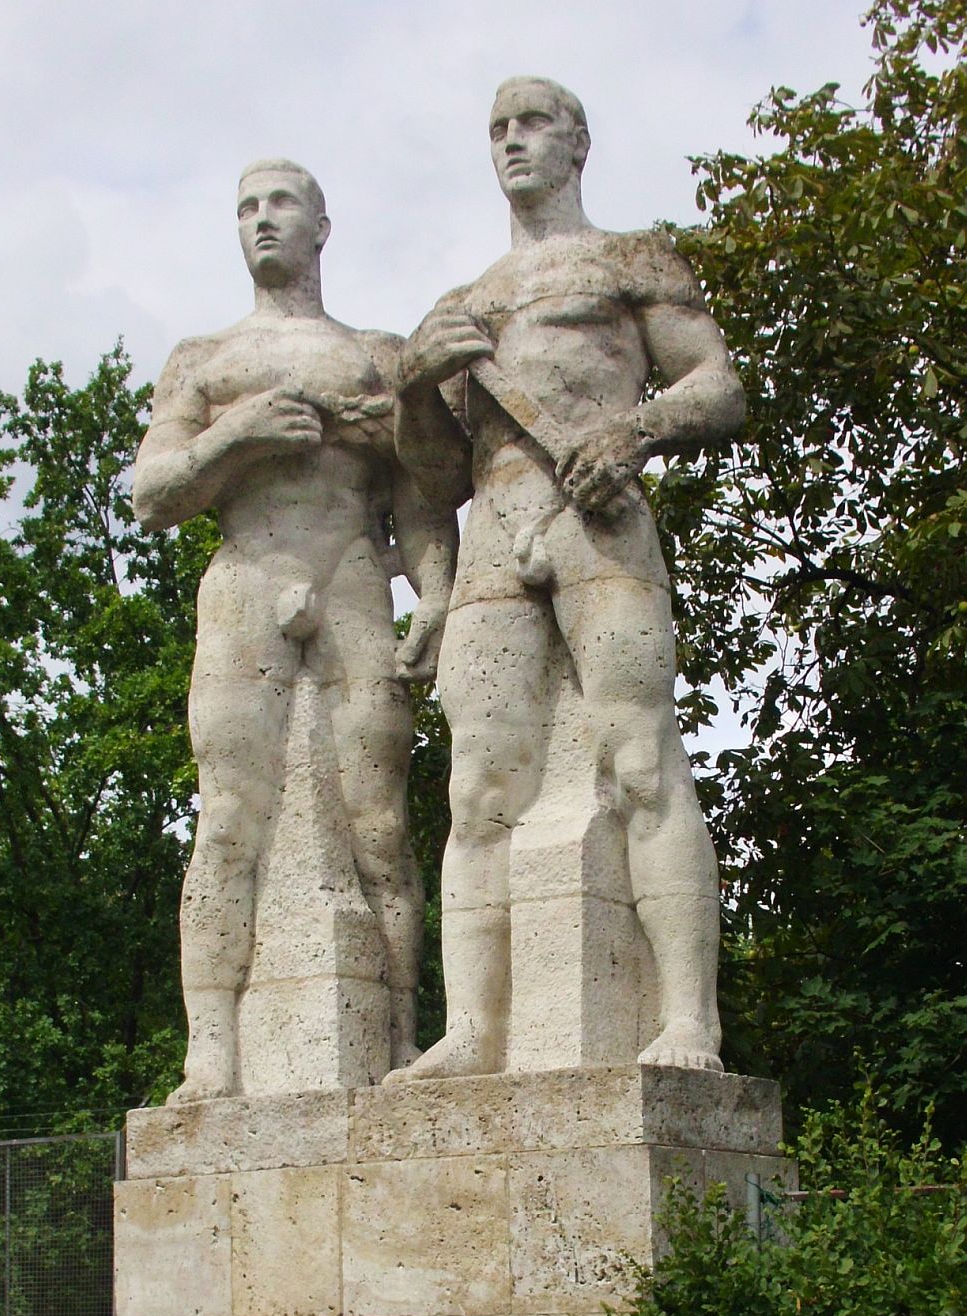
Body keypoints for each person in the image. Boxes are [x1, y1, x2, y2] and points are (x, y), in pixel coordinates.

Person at [392, 77, 745, 1079]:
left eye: (531, 123)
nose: (511, 142)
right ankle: (472, 1032)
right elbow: (425, 474)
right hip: (494, 535)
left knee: (641, 756)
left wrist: (634, 431)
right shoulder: (459, 306)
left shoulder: (627, 260)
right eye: (496, 128)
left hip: (602, 518)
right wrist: (420, 383)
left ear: (577, 142)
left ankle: (688, 1023)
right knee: (476, 790)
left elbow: (716, 385)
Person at [134, 159, 456, 1100]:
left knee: (381, 828)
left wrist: (434, 591)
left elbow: (424, 496)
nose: (260, 220)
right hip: (246, 576)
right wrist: (234, 437)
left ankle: (398, 1037)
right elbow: (153, 493)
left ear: (323, 226)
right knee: (227, 822)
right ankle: (211, 1050)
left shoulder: (378, 357)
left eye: (280, 204)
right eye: (244, 208)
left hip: (354, 576)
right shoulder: (203, 360)